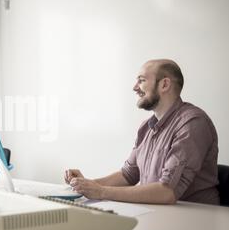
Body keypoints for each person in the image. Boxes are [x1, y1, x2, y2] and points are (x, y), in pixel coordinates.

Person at [65, 59, 219, 205]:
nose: (135, 87)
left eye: (141, 80)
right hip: (157, 213)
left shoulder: (193, 123)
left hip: (196, 219)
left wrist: (101, 192)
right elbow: (128, 175)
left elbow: (167, 192)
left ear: (164, 84)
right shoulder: (146, 127)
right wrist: (86, 184)